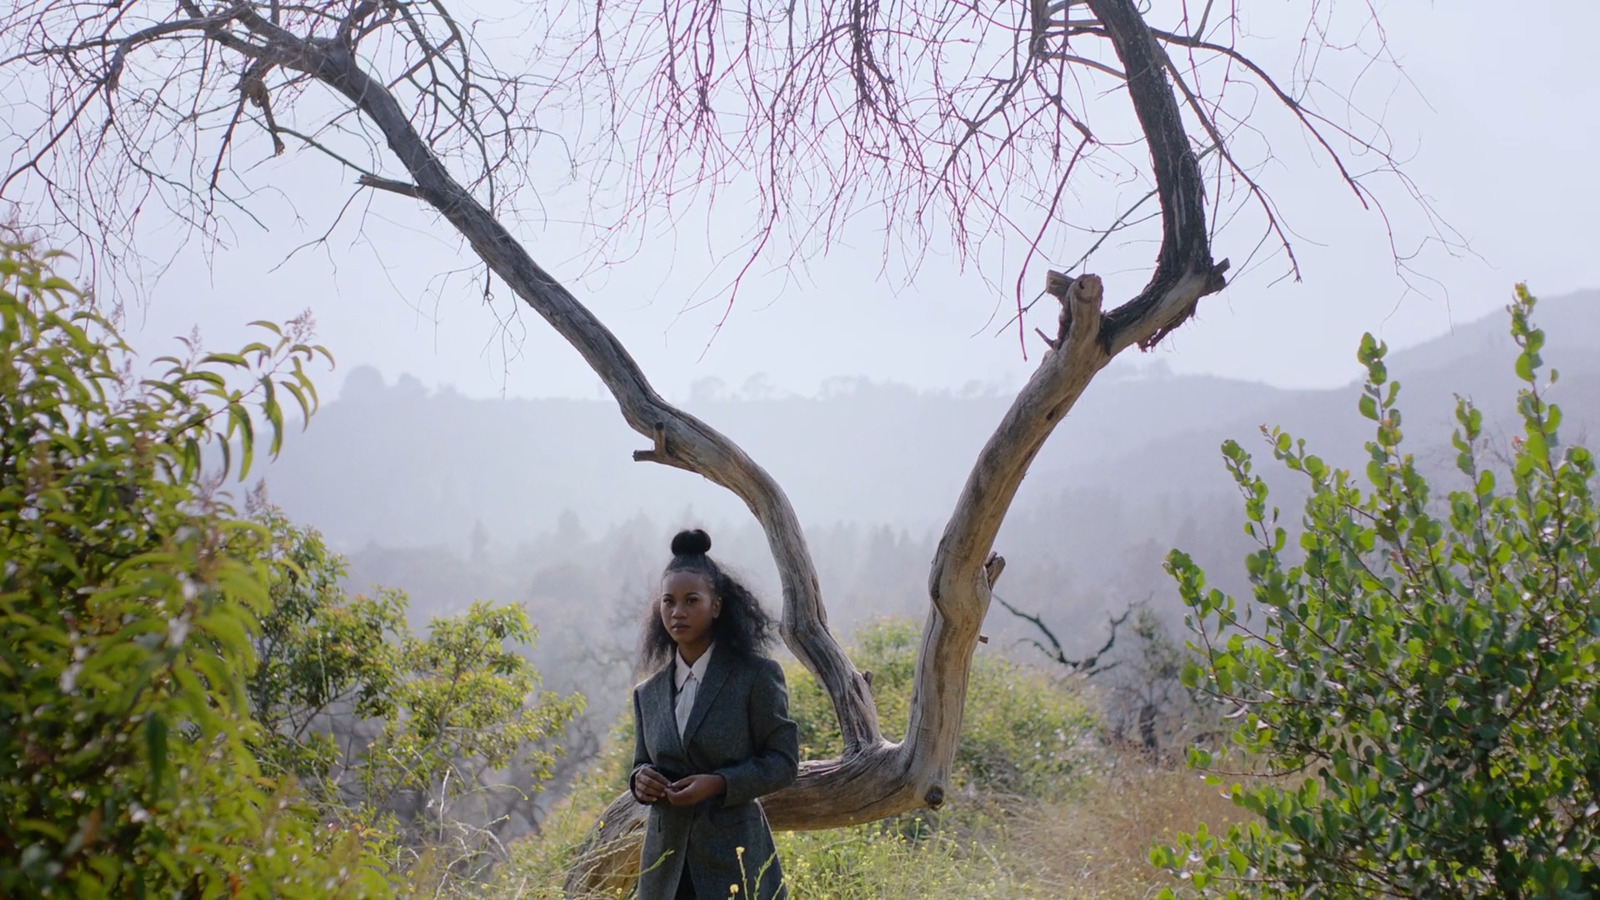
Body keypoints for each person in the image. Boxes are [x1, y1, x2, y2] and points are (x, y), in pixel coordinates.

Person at [630, 529, 800, 900]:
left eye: (692, 600)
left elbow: (784, 762)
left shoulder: (755, 676)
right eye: (668, 602)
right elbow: (642, 763)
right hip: (665, 873)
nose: (678, 612)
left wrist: (719, 783)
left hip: (734, 863)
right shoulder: (647, 694)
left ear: (717, 605)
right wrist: (640, 781)